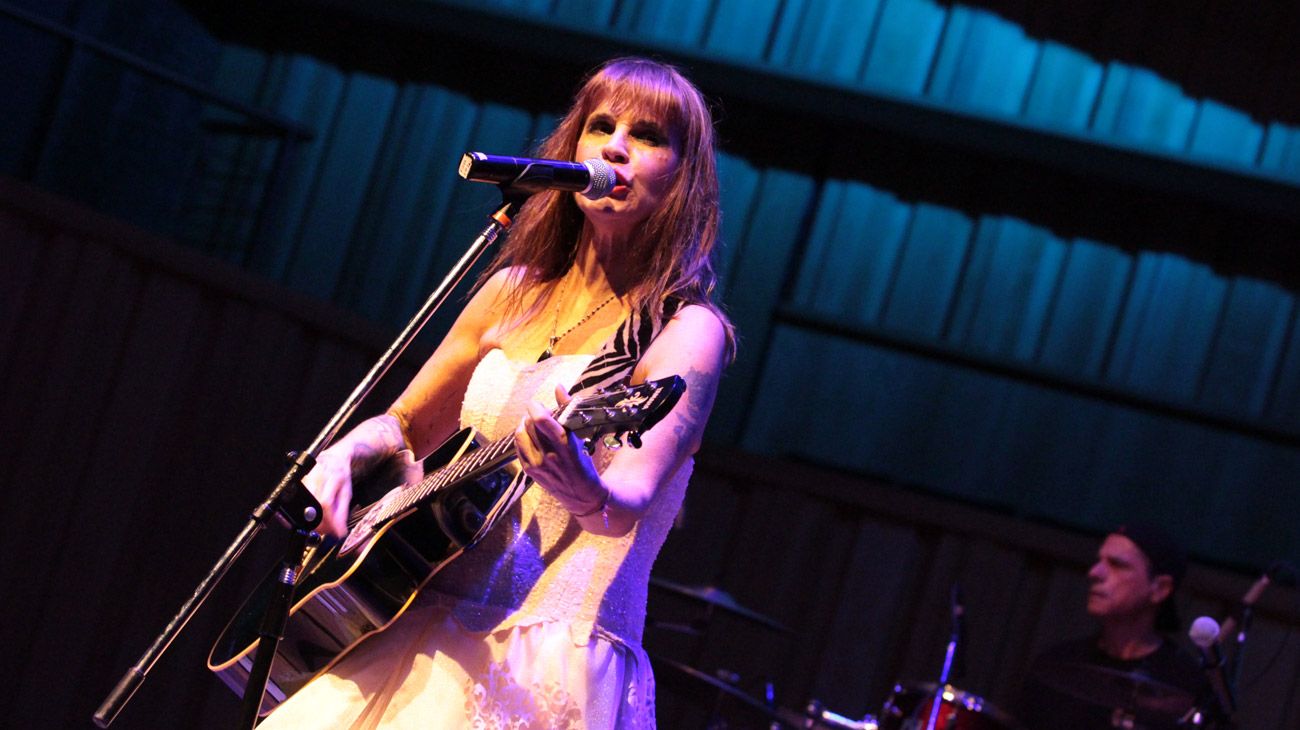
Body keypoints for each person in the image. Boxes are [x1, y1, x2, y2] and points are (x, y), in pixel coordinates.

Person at [256, 57, 734, 729]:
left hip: (545, 652)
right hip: (416, 622)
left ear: (683, 177)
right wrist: (343, 455)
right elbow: (406, 426)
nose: (616, 147)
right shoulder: (512, 290)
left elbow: (624, 503)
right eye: (601, 126)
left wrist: (580, 484)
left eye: (649, 136)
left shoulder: (685, 330)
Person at [1018, 523, 1211, 730]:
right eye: (1098, 561)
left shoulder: (1186, 684)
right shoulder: (1056, 663)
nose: (1094, 572)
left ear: (1160, 589)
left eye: (1117, 565)